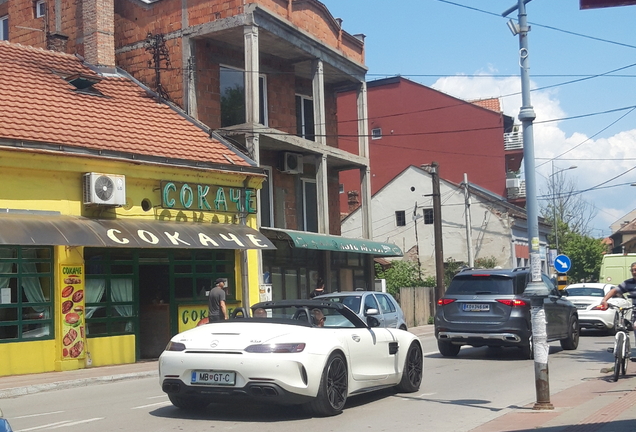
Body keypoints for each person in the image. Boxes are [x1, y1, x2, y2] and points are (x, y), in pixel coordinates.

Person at [601, 262, 636, 358]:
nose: (634, 272)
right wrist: (604, 300)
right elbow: (614, 291)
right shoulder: (629, 283)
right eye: (632, 270)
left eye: (635, 270)